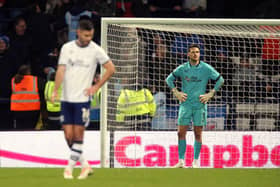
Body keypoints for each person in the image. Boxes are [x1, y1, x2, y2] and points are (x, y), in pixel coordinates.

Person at [51, 18, 115, 179]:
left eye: (91, 36)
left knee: (78, 136)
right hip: (66, 99)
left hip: (82, 100)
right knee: (68, 136)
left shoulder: (95, 50)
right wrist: (55, 91)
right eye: (86, 35)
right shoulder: (67, 48)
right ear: (78, 32)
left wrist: (96, 86)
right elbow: (60, 70)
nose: (88, 39)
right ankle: (85, 165)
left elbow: (111, 68)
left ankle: (69, 169)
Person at [165, 44, 224, 168]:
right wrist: (176, 92)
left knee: (198, 134)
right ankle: (181, 161)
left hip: (200, 106)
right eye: (192, 52)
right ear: (188, 54)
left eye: (197, 52)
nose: (195, 54)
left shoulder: (206, 68)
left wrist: (210, 94)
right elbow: (169, 79)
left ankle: (195, 161)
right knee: (181, 133)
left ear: (200, 54)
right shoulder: (182, 68)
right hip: (185, 105)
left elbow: (220, 80)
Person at [10, 65, 45, 130]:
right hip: (32, 110)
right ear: (29, 72)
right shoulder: (35, 80)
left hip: (17, 110)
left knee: (19, 130)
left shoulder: (13, 80)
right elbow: (43, 88)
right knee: (30, 130)